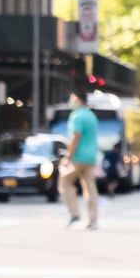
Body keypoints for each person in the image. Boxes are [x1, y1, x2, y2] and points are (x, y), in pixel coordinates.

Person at [58, 89, 100, 230]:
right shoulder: (91, 116)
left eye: (72, 98)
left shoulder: (77, 116)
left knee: (65, 183)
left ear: (78, 99)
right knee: (90, 188)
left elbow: (75, 137)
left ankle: (74, 214)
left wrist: (68, 156)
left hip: (77, 157)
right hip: (91, 157)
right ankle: (93, 220)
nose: (71, 101)